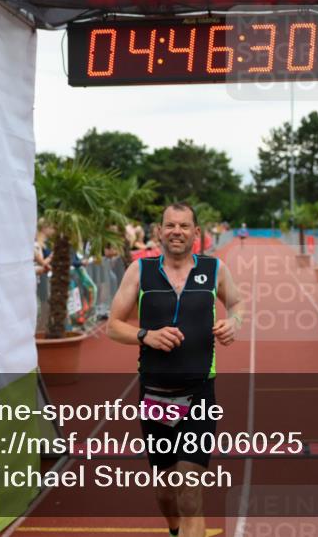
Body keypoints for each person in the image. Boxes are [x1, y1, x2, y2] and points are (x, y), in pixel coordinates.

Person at [107, 202, 245, 537]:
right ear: (159, 232)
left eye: (184, 226)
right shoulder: (140, 272)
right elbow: (112, 325)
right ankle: (174, 529)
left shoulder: (215, 270)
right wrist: (146, 335)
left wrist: (235, 322)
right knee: (167, 492)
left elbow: (237, 303)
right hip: (154, 396)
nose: (177, 232)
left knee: (190, 491)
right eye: (170, 226)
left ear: (196, 233)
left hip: (200, 394)